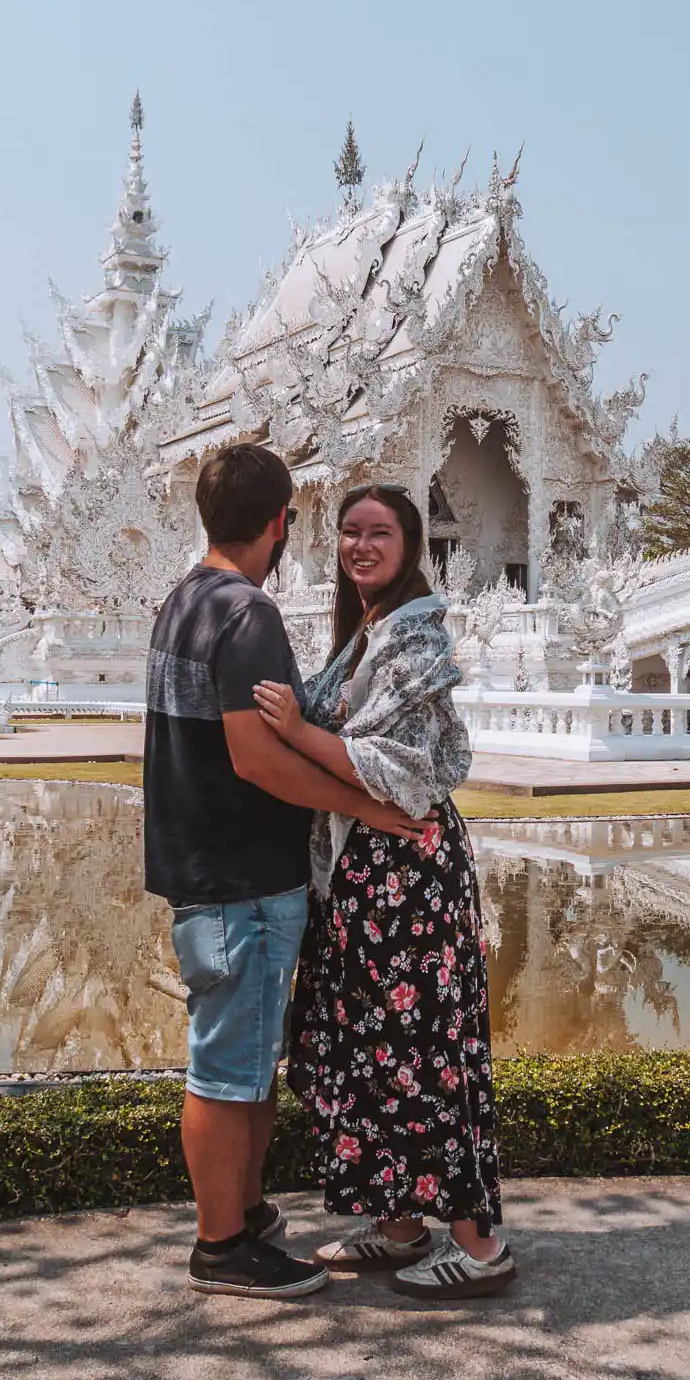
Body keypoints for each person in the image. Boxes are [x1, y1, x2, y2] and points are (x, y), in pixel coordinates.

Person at [144, 444, 427, 1301]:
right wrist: (378, 809)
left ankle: (245, 1209)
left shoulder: (183, 601)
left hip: (208, 866)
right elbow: (257, 760)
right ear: (281, 523)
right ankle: (221, 1244)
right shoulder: (248, 612)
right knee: (227, 1068)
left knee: (244, 1056)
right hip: (241, 876)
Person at [253, 484, 515, 1298]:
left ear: (409, 547)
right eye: (349, 533)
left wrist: (300, 733)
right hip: (365, 873)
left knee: (426, 1051)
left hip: (409, 878)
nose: (361, 546)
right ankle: (400, 1222)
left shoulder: (413, 638)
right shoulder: (366, 633)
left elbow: (408, 771)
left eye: (379, 534)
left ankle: (478, 1246)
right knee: (365, 1047)